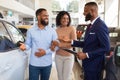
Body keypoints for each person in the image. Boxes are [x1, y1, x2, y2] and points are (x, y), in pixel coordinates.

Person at [71, 2, 110, 80]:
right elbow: (87, 43)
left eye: (85, 11)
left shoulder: (100, 26)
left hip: (95, 66)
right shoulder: (90, 26)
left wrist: (86, 55)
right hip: (88, 65)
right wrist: (72, 42)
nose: (83, 13)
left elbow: (106, 47)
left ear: (92, 11)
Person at [19, 8, 58, 80]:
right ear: (38, 16)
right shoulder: (31, 31)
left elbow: (56, 47)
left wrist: (45, 52)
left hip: (47, 64)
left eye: (47, 16)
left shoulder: (52, 31)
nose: (47, 17)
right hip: (34, 64)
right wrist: (24, 47)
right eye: (45, 15)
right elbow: (28, 44)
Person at [52, 11, 77, 80]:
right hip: (58, 56)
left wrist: (60, 44)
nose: (66, 20)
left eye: (67, 18)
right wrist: (57, 42)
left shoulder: (72, 28)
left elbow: (74, 43)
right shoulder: (56, 30)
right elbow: (54, 43)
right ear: (59, 19)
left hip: (68, 57)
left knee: (66, 77)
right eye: (63, 18)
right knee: (60, 77)